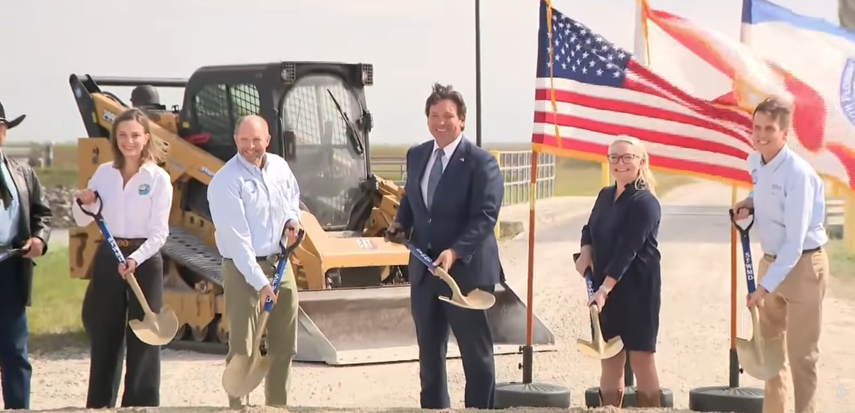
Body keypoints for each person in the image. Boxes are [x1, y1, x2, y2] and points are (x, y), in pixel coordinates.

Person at [386, 83, 504, 409]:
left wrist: (454, 252)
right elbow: (412, 197)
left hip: (465, 274)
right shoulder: (418, 154)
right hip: (425, 272)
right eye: (434, 115)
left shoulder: (481, 163)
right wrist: (400, 223)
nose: (441, 122)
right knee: (429, 354)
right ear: (427, 119)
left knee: (475, 355)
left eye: (448, 116)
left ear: (462, 120)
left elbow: (485, 217)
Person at [71, 108, 172, 408]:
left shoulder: (159, 179)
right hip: (109, 254)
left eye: (135, 136)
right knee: (104, 332)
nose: (129, 141)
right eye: (123, 135)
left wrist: (135, 260)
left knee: (145, 337)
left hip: (144, 259)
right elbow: (81, 218)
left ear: (146, 138)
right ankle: (100, 403)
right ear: (115, 138)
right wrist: (81, 200)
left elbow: (160, 233)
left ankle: (140, 403)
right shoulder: (103, 173)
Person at [732, 97, 828, 413]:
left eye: (769, 129)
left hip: (801, 267)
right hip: (770, 262)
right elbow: (765, 193)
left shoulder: (798, 175)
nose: (760, 135)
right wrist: (750, 202)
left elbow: (795, 242)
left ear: (784, 133)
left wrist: (764, 287)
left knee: (802, 358)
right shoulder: (756, 161)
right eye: (756, 127)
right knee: (773, 359)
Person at [207, 114, 302, 408]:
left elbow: (292, 199)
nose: (251, 146)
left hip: (280, 262)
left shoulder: (280, 167)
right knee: (243, 347)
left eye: (256, 140)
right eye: (244, 140)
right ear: (236, 140)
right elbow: (238, 243)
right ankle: (238, 406)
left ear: (268, 140)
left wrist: (292, 220)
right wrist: (261, 284)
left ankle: (278, 405)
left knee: (284, 345)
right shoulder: (225, 181)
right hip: (240, 268)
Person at [574, 135, 662, 408]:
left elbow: (628, 250)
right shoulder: (604, 196)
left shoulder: (645, 203)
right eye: (614, 157)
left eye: (627, 157)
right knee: (609, 356)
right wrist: (586, 249)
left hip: (637, 289)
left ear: (641, 162)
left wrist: (603, 289)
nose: (619, 163)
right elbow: (589, 229)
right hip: (604, 289)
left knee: (640, 357)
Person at [0, 100, 52, 410]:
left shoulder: (22, 172)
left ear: (4, 131)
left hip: (11, 267)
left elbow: (43, 214)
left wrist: (39, 239)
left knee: (15, 351)